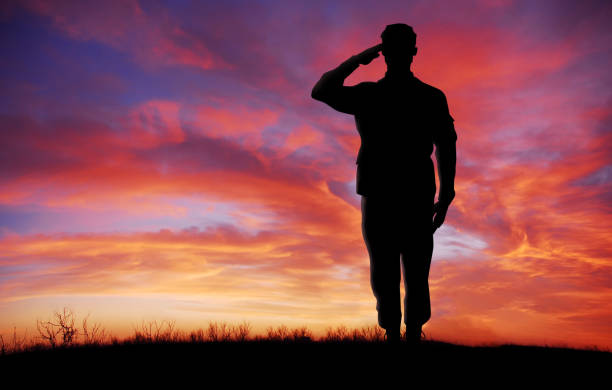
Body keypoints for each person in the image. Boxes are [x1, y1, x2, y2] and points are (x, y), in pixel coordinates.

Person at [311, 23, 457, 344]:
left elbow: (447, 144)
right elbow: (320, 91)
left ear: (411, 51)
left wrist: (447, 193)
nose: (398, 53)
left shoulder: (429, 97)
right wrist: (357, 60)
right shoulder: (369, 94)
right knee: (386, 267)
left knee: (413, 267)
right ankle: (394, 332)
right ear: (386, 51)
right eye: (392, 46)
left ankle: (412, 331)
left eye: (401, 46)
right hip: (379, 192)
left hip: (414, 192)